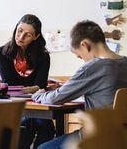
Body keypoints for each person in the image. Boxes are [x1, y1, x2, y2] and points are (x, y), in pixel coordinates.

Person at [32, 20, 127, 149]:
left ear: (85, 45)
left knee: (43, 148)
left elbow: (54, 98)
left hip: (97, 136)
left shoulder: (94, 67)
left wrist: (38, 95)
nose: (82, 60)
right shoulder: (124, 62)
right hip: (121, 137)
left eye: (79, 56)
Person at [0, 14, 55, 148]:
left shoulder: (43, 56)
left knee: (46, 126)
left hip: (36, 103)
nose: (21, 37)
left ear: (36, 37)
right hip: (14, 104)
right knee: (25, 125)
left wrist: (26, 89)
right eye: (19, 30)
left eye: (27, 35)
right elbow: (9, 85)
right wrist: (31, 88)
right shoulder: (3, 52)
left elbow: (41, 84)